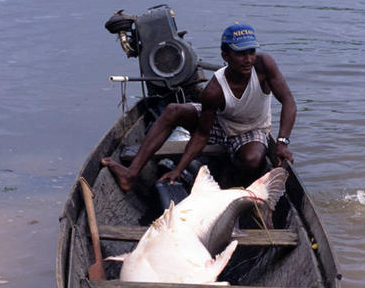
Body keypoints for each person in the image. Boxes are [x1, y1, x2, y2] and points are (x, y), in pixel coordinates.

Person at [101, 22, 296, 191]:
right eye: (240, 54)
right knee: (173, 111)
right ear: (225, 56)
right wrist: (178, 170)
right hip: (220, 124)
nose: (248, 60)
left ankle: (233, 180)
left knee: (252, 159)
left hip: (251, 129)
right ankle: (131, 174)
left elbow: (288, 100)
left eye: (251, 52)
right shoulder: (214, 90)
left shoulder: (264, 65)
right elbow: (202, 135)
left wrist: (282, 142)